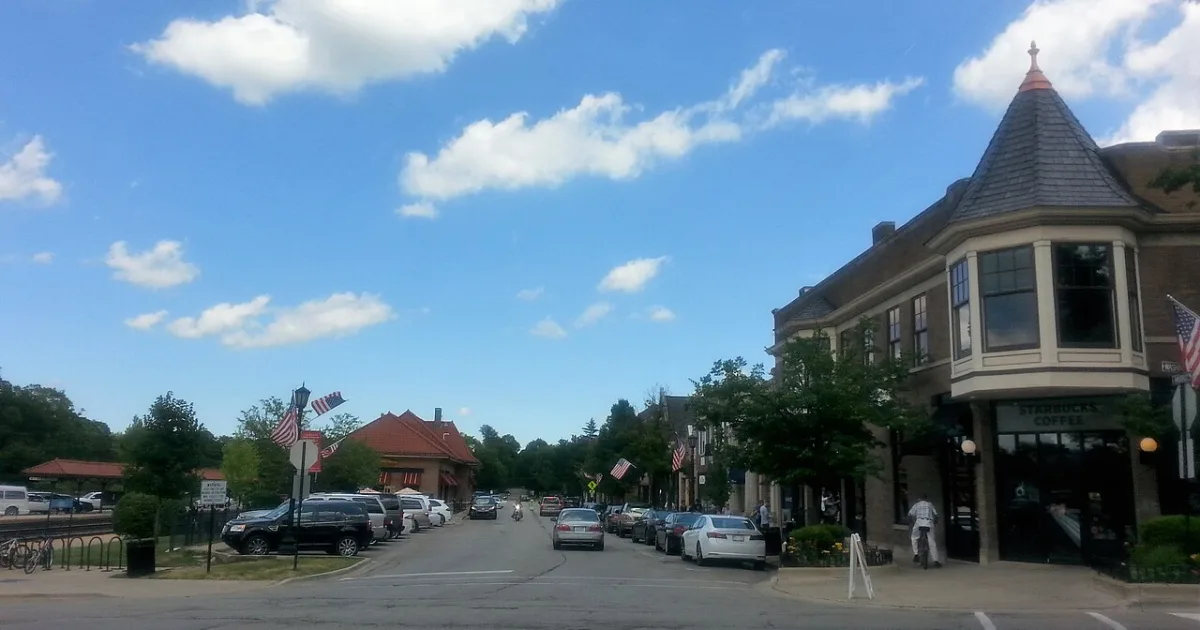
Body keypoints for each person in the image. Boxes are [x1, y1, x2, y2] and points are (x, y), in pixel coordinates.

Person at [907, 494, 941, 567]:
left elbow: (909, 514)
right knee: (932, 541)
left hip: (919, 522)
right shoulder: (930, 504)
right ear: (927, 498)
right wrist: (935, 522)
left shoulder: (916, 505)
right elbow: (936, 515)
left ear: (919, 499)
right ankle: (936, 561)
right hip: (929, 522)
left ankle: (916, 554)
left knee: (914, 537)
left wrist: (911, 523)